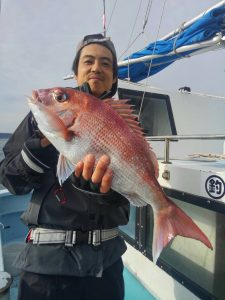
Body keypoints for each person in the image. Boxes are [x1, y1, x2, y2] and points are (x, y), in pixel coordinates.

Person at [0, 33, 130, 300]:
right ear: (76, 72)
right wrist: (40, 148)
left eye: (106, 64)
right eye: (89, 61)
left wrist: (105, 191)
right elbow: (9, 179)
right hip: (45, 267)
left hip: (106, 268)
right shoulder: (44, 114)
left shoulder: (126, 126)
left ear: (114, 77)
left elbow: (128, 195)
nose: (97, 68)